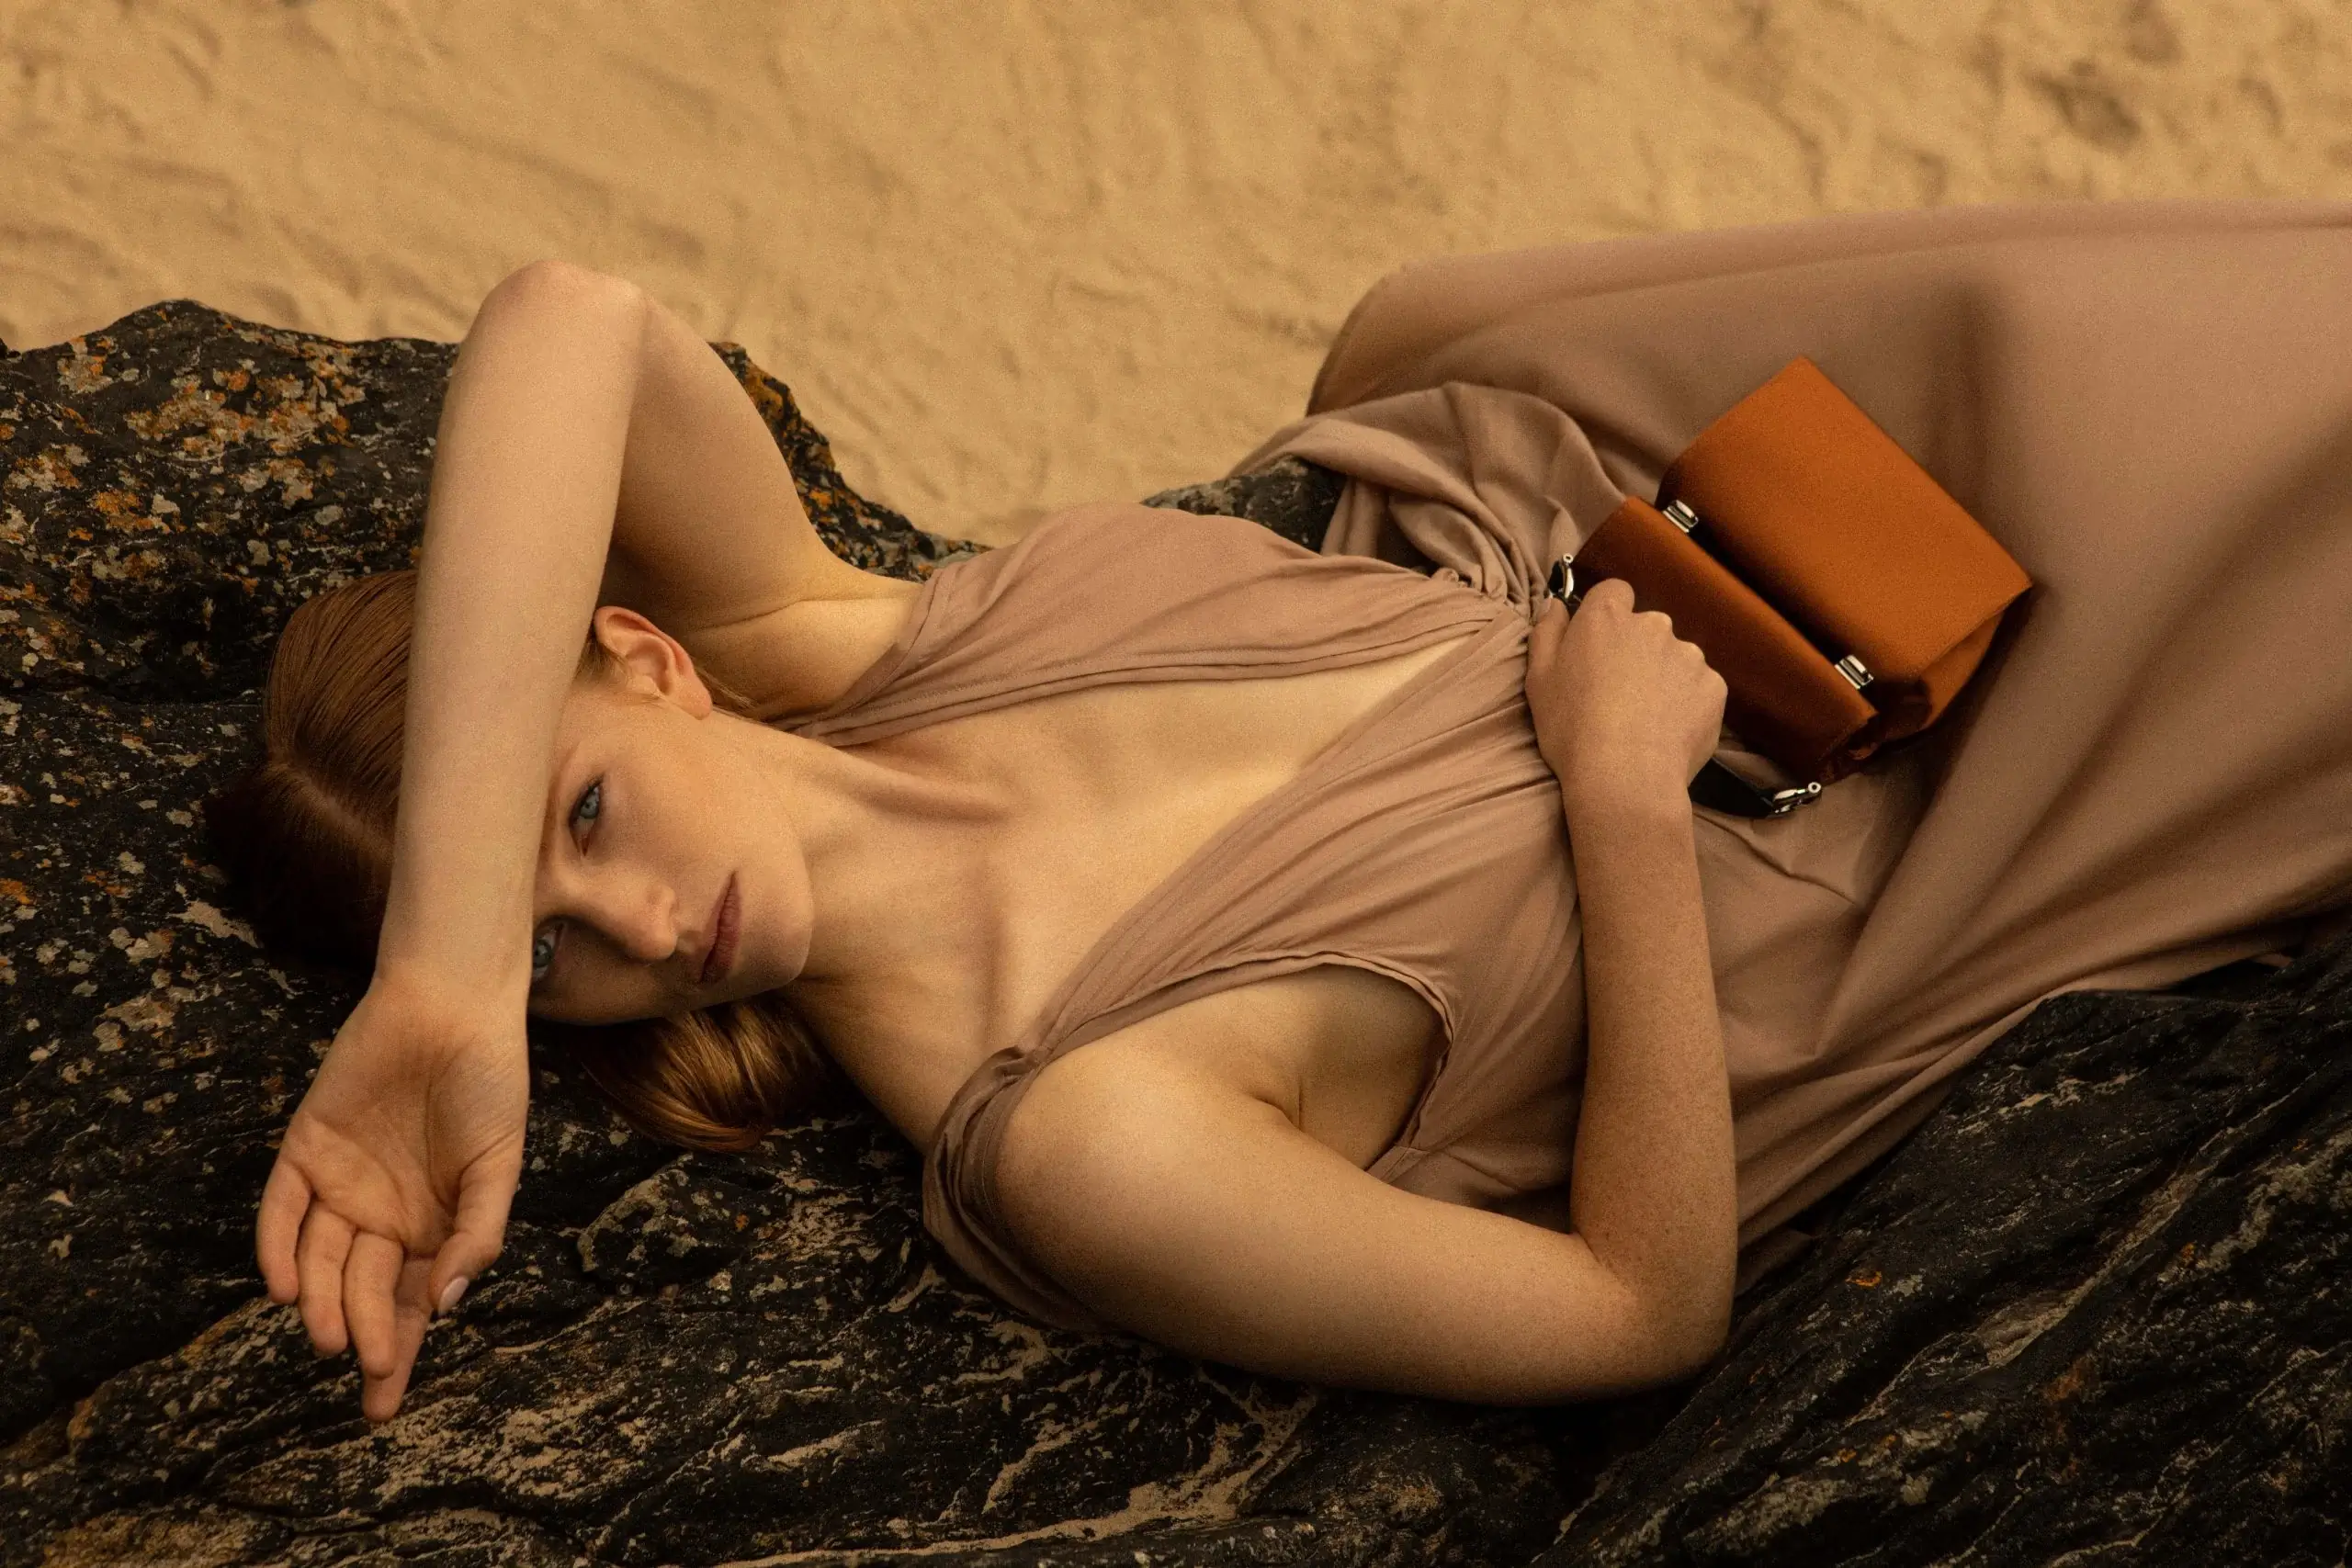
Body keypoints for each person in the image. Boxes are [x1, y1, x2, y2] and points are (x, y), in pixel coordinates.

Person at [222, 201, 2352, 1427]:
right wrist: (1618, 806)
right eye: (549, 955)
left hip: (1758, 509)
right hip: (1909, 829)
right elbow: (1635, 1310)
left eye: (580, 811)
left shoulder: (840, 634)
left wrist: (443, 977)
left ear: (645, 653)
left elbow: (569, 321)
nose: (629, 920)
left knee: (2114, 329)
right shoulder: (1076, 1131)